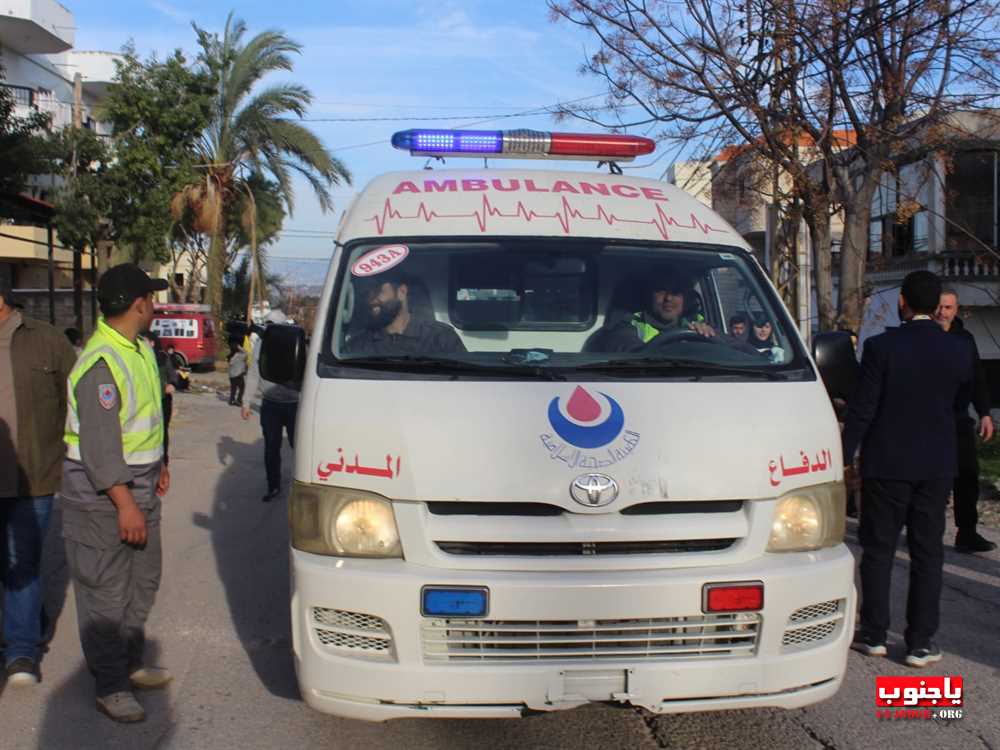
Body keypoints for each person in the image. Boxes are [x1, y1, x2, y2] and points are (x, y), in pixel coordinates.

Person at [843, 270, 976, 668]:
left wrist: (845, 454)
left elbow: (863, 409)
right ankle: (920, 642)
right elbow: (958, 408)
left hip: (887, 462)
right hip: (936, 464)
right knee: (927, 553)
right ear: (938, 305)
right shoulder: (958, 350)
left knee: (880, 550)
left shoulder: (881, 348)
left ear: (903, 301)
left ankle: (875, 634)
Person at [60, 263, 172, 723]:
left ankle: (127, 663)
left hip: (140, 488)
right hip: (103, 499)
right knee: (104, 596)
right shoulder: (102, 363)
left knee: (141, 583)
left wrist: (160, 462)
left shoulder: (139, 348)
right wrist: (126, 504)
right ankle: (110, 685)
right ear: (137, 303)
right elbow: (101, 448)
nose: (155, 303)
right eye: (151, 296)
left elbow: (146, 417)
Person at [0, 277, 77, 686]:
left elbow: (77, 402)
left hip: (34, 478)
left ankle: (21, 653)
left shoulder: (47, 341)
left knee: (23, 565)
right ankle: (29, 619)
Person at [935, 289, 996, 553]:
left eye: (948, 307)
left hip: (959, 419)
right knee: (934, 478)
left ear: (956, 310)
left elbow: (978, 379)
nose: (943, 312)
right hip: (930, 419)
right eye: (939, 307)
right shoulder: (925, 337)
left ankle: (967, 532)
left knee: (968, 475)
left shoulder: (965, 339)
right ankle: (927, 531)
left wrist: (984, 413)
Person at [242, 309, 300, 502]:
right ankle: (273, 485)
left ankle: (301, 485)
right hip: (271, 405)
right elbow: (253, 374)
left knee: (298, 447)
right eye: (268, 325)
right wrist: (246, 402)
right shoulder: (261, 344)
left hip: (294, 406)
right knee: (271, 447)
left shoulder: (297, 344)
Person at [344, 273, 466, 355]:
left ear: (402, 292)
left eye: (377, 291)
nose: (371, 301)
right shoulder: (359, 345)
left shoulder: (440, 337)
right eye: (367, 294)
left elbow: (464, 382)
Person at [595, 271, 719, 352]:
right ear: (649, 295)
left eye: (676, 292)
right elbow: (631, 352)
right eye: (661, 291)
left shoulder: (698, 324)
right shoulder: (628, 324)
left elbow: (735, 347)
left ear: (685, 299)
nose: (668, 298)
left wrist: (709, 337)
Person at [227, 337, 248, 406]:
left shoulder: (230, 356)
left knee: (233, 388)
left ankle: (231, 400)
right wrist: (238, 346)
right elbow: (246, 352)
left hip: (231, 375)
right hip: (238, 374)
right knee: (242, 388)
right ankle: (239, 400)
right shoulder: (240, 355)